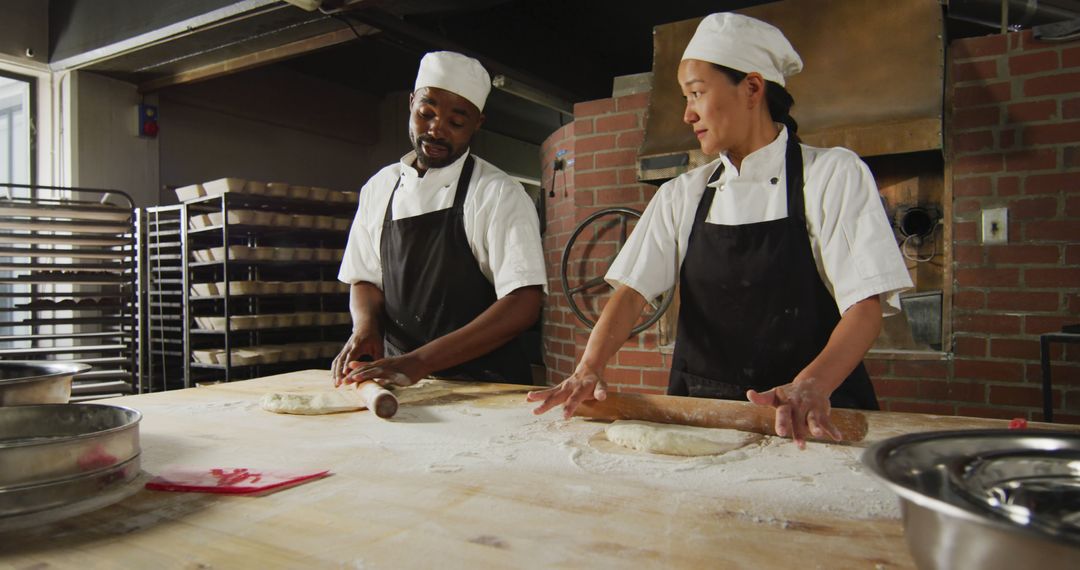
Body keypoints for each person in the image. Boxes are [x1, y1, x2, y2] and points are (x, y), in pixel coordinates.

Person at [528, 13, 912, 448]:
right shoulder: (683, 193)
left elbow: (865, 306)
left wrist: (811, 384)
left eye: (696, 93)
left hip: (812, 416)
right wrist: (590, 366)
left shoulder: (832, 174)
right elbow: (631, 292)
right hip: (705, 416)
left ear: (751, 88)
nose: (687, 113)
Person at [333, 51, 546, 388]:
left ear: (478, 124)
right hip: (400, 378)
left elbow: (523, 303)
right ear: (411, 104)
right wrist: (365, 329)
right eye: (426, 113)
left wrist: (420, 361)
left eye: (456, 123)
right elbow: (365, 279)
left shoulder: (498, 193)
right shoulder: (379, 188)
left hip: (486, 384)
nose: (436, 130)